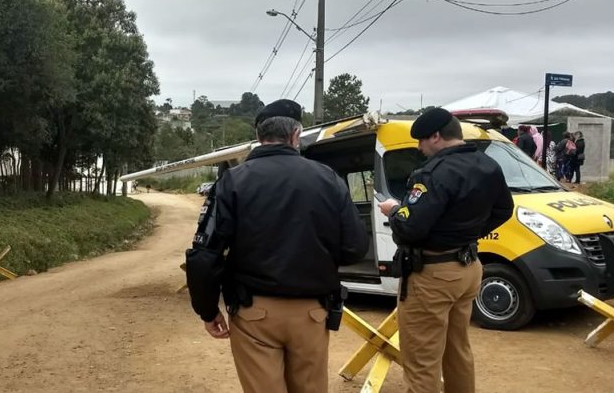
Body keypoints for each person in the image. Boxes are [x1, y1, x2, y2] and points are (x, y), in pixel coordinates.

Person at [185, 99, 369, 393]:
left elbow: (204, 256)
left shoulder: (232, 181)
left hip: (254, 312)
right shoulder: (328, 180)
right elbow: (355, 248)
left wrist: (207, 311)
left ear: (258, 136)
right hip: (313, 312)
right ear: (296, 135)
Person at [377, 108, 513, 393]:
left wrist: (394, 212)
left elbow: (410, 228)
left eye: (421, 141)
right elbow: (504, 209)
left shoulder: (431, 174)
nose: (419, 147)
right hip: (468, 266)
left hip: (433, 274)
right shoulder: (487, 165)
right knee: (457, 350)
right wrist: (467, 234)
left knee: (421, 360)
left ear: (436, 136)